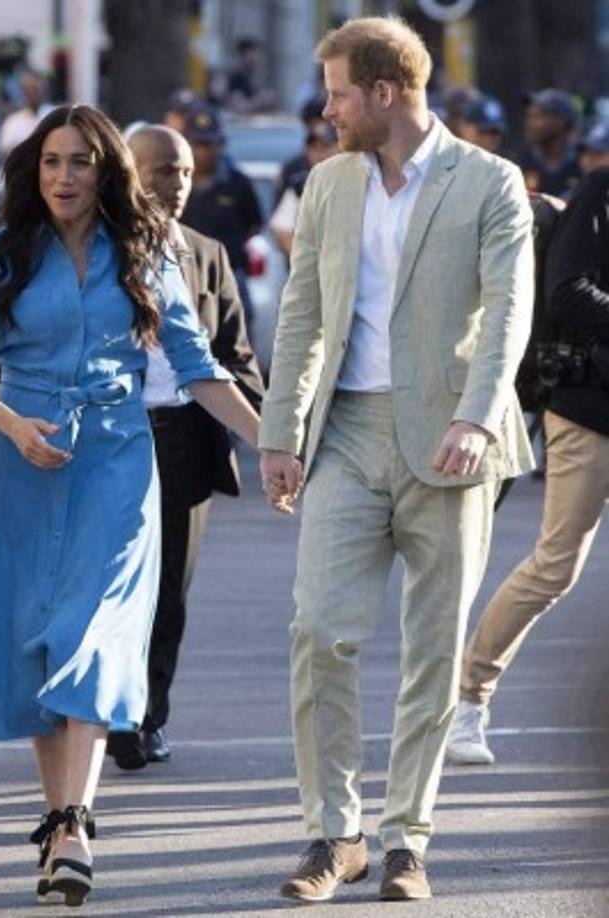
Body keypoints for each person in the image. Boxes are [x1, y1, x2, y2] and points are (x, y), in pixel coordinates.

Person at [0, 104, 261, 906]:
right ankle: (58, 833)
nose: (64, 177)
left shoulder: (142, 251)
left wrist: (272, 444)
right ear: (31, 170)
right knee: (37, 649)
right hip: (16, 465)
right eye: (50, 162)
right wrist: (11, 426)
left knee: (85, 635)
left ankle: (74, 822)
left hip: (115, 462)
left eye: (80, 162)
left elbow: (195, 362)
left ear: (105, 170)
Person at [259, 17, 534, 902]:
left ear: (385, 93)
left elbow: (507, 313)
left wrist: (478, 416)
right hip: (345, 433)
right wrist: (278, 434)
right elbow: (301, 315)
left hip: (451, 441)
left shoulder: (488, 181)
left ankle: (405, 837)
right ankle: (332, 834)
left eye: (339, 91)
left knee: (431, 650)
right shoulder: (329, 182)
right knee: (318, 633)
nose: (327, 107)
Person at [105, 124, 264, 770]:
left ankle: (149, 716)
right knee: (113, 589)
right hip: (115, 438)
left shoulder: (205, 252)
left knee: (169, 592)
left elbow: (234, 352)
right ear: (128, 173)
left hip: (183, 442)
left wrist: (260, 426)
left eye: (183, 174)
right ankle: (109, 711)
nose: (173, 185)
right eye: (159, 171)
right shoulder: (98, 249)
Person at [447, 155, 609, 766]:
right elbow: (566, 291)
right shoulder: (601, 189)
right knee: (555, 568)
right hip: (590, 408)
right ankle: (467, 701)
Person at [180, 104, 262, 321]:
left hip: (230, 275)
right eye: (197, 144)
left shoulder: (238, 183)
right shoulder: (173, 182)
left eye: (208, 144)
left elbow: (253, 224)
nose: (203, 152)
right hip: (183, 278)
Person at [269, 120, 338, 256]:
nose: (319, 153)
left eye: (325, 147)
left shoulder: (358, 179)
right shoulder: (299, 187)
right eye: (314, 147)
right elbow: (283, 230)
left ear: (338, 147)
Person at [516, 89, 582, 198]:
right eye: (529, 116)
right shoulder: (521, 160)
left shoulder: (584, 160)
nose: (530, 123)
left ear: (561, 121)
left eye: (538, 116)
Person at [0, 69, 48, 161]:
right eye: (28, 90)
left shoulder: (52, 116)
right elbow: (7, 155)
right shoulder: (12, 122)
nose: (33, 94)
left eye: (36, 89)